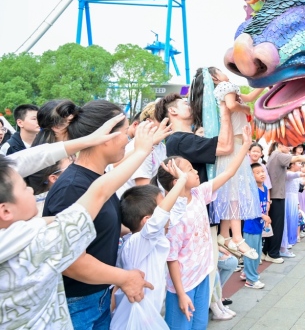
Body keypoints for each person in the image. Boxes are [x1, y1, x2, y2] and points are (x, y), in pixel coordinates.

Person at [0, 114, 156, 330]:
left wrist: (87, 140)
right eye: (23, 187)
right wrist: (140, 151)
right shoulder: (36, 244)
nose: (30, 189)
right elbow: (98, 193)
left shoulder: (15, 237)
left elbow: (24, 161)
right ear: (5, 210)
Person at [43, 101, 170, 330]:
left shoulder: (97, 178)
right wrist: (124, 277)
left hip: (97, 296)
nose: (128, 140)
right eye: (125, 133)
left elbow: (100, 227)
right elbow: (72, 262)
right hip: (77, 304)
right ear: (106, 137)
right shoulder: (73, 187)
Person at [158, 125, 252, 328]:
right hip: (182, 285)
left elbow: (229, 172)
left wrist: (245, 146)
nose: (195, 171)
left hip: (201, 276)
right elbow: (171, 258)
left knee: (199, 324)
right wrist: (181, 294)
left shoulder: (199, 194)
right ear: (176, 180)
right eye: (189, 170)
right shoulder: (174, 215)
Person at [112, 158, 188, 327]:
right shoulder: (136, 243)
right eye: (163, 207)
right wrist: (182, 180)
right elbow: (160, 218)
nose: (167, 211)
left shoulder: (154, 237)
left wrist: (179, 183)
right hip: (131, 322)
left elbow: (178, 210)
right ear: (147, 220)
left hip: (148, 317)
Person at [209, 68, 262, 259]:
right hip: (235, 145)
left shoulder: (226, 89)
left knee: (230, 191)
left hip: (235, 144)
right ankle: (238, 238)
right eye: (219, 71)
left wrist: (263, 86)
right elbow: (233, 105)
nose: (224, 72)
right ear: (215, 77)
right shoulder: (225, 86)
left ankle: (224, 235)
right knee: (235, 193)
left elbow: (248, 96)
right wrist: (246, 110)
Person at [262, 142, 305, 263]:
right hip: (277, 195)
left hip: (275, 195)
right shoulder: (278, 155)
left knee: (274, 225)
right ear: (279, 145)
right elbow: (297, 158)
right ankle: (273, 254)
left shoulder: (275, 155)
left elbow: (288, 174)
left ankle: (266, 251)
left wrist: (301, 173)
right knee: (277, 227)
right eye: (287, 145)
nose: (290, 147)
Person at [242, 163, 271, 289]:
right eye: (257, 172)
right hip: (251, 226)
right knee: (252, 253)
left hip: (258, 226)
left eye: (262, 171)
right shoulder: (251, 189)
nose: (261, 174)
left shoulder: (264, 187)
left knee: (257, 252)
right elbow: (250, 208)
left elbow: (263, 206)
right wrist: (263, 216)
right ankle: (251, 280)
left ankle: (246, 273)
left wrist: (265, 217)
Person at [280, 161, 303, 258]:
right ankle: (283, 247)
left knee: (292, 221)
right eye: (299, 163)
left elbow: (296, 191)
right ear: (292, 164)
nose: (301, 165)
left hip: (293, 199)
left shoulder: (296, 176)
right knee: (286, 222)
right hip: (287, 199)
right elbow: (291, 175)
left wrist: (297, 203)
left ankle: (287, 243)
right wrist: (302, 174)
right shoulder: (288, 174)